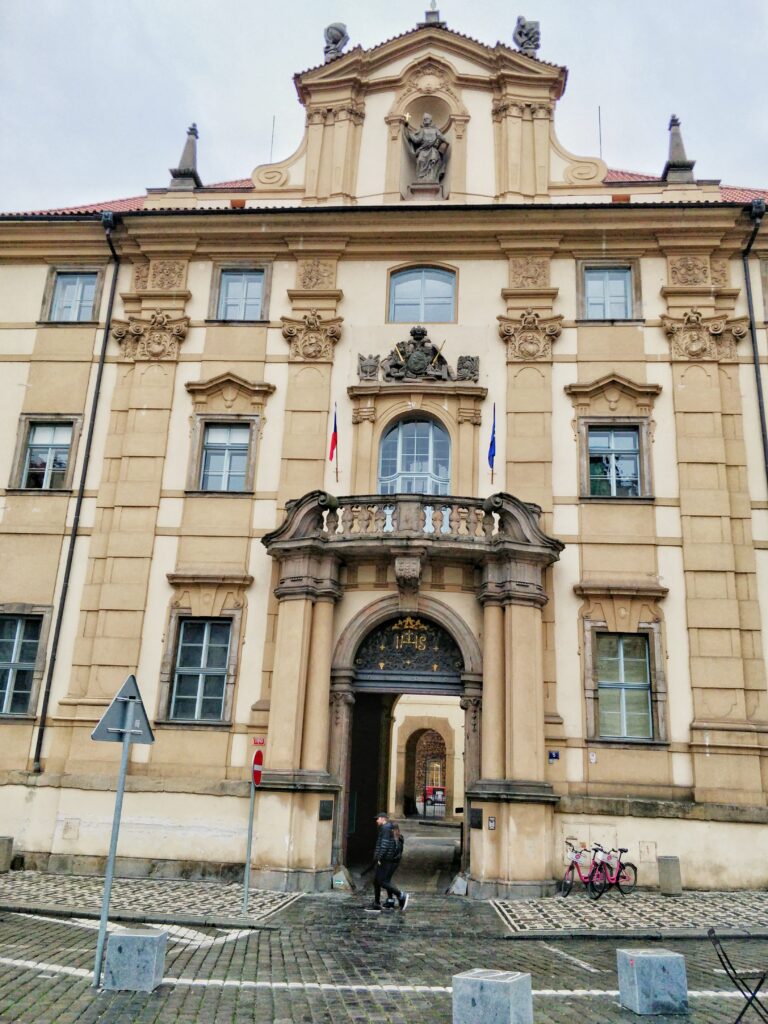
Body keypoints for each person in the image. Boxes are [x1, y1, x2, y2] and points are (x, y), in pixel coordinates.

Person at [366, 811, 409, 912]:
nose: (376, 821)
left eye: (378, 818)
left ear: (383, 819)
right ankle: (380, 902)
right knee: (378, 881)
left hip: (385, 860)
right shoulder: (388, 828)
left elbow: (384, 845)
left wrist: (379, 858)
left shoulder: (385, 828)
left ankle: (400, 895)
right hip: (388, 859)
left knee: (381, 881)